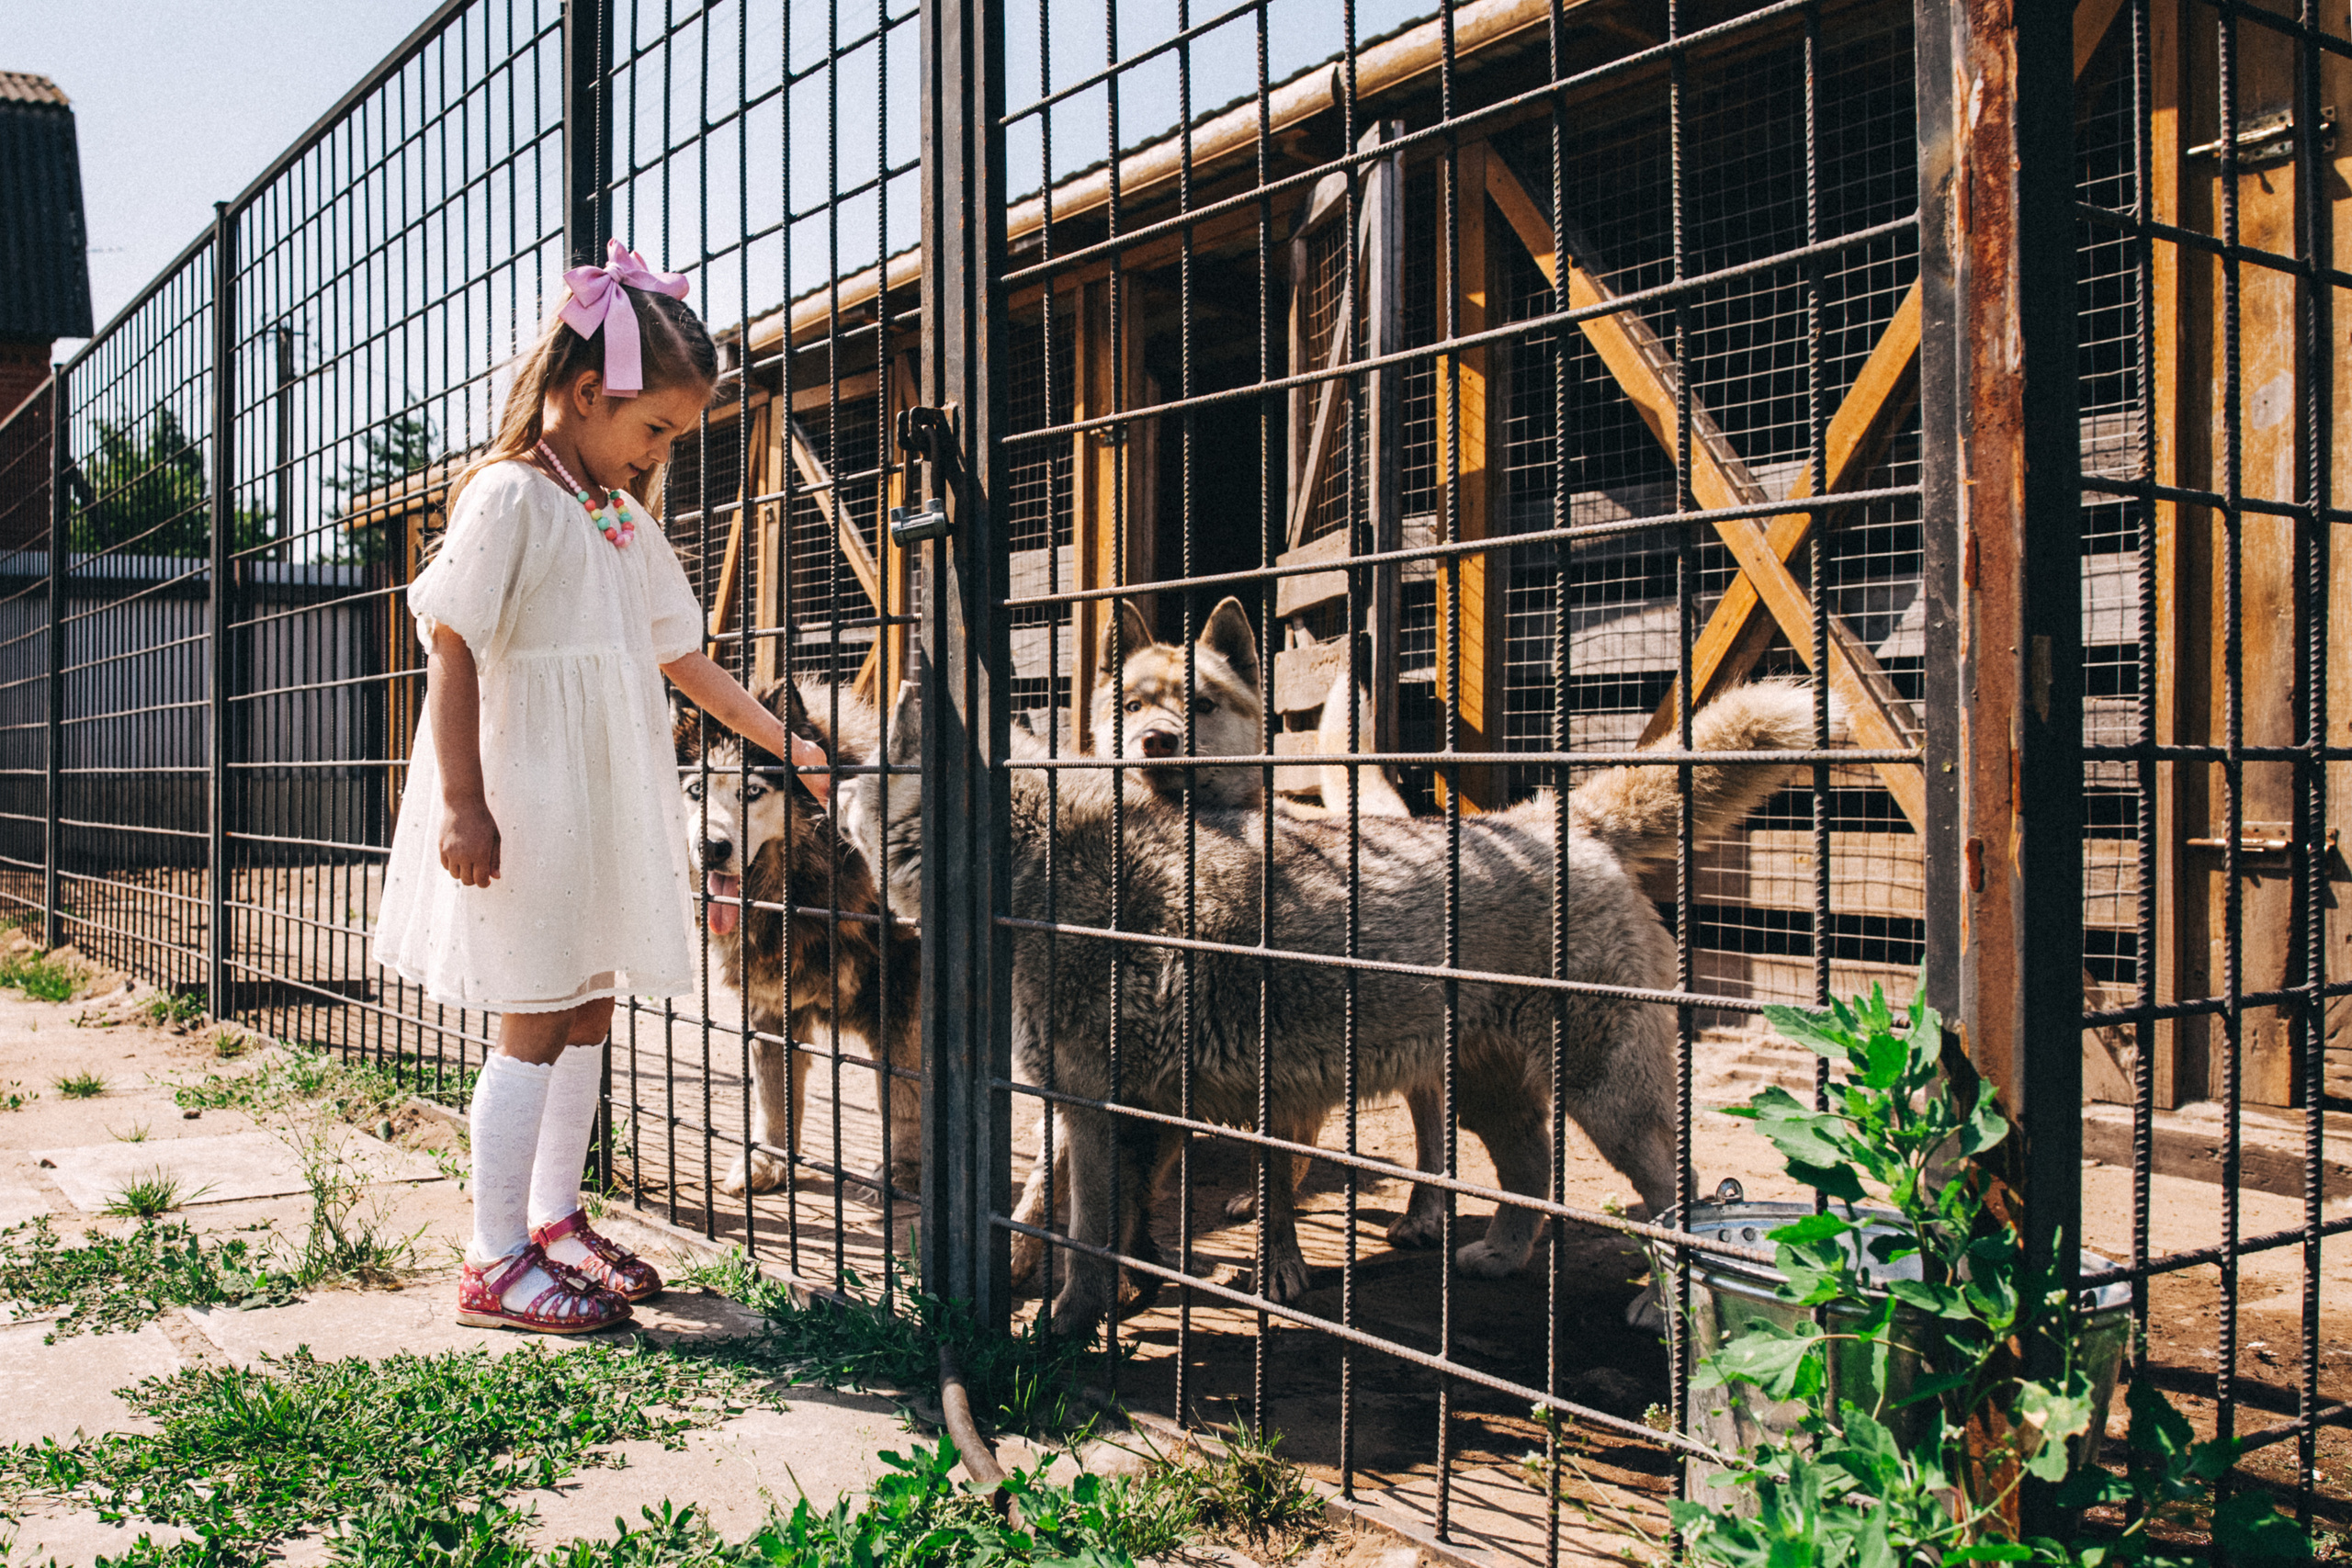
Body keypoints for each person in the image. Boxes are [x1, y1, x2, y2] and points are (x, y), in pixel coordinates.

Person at [373, 242, 831, 1333]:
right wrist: (462, 800)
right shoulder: (509, 499)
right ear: (586, 395)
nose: (662, 451)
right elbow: (451, 643)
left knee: (588, 1006)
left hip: (599, 802)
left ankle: (553, 1219)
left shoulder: (618, 518)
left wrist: (784, 742)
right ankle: (490, 1259)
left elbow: (687, 660)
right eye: (654, 429)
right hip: (525, 799)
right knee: (533, 1014)